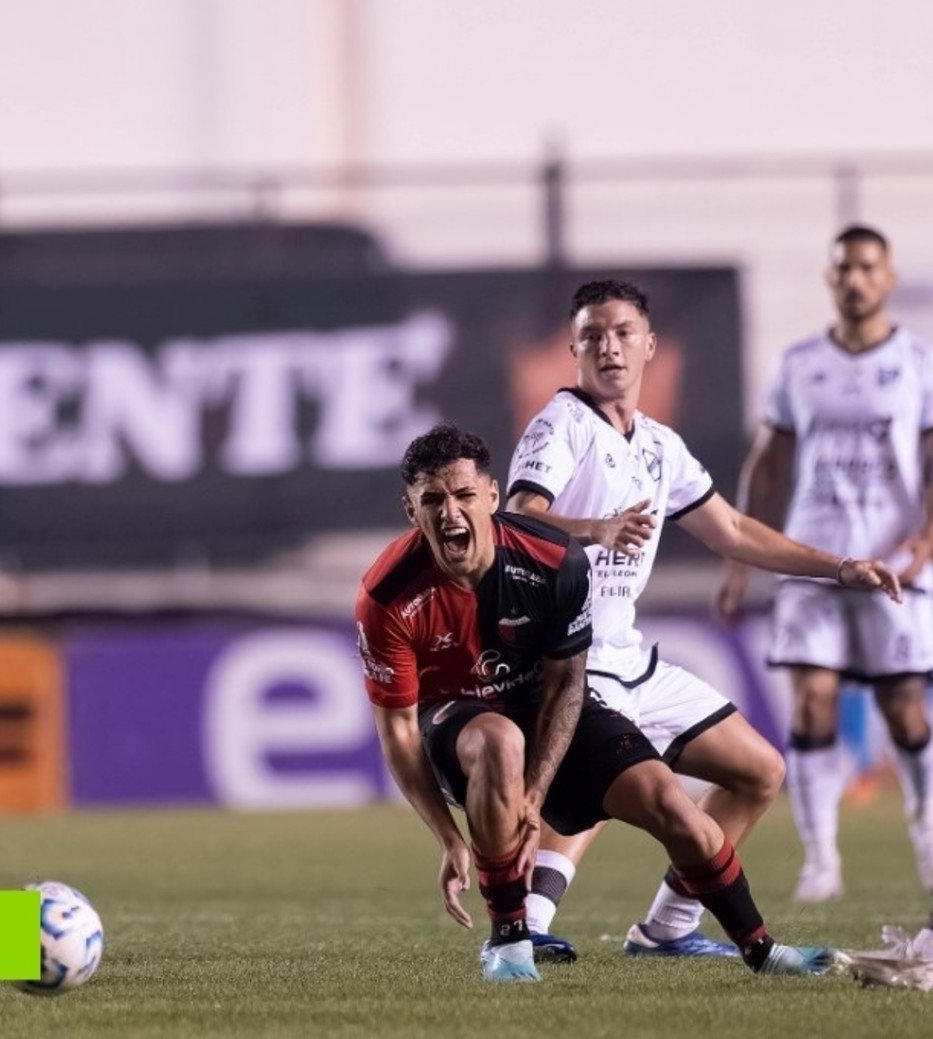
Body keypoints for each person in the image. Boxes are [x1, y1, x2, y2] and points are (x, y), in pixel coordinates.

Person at [505, 279, 902, 962]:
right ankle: (524, 928)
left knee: (758, 770)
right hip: (565, 660)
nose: (609, 346)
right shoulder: (560, 425)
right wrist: (597, 528)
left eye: (623, 332)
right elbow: (515, 518)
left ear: (648, 344)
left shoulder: (659, 444)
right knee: (605, 786)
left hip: (628, 659)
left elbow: (734, 531)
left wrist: (839, 565)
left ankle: (664, 929)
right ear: (572, 347)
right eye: (593, 334)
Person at [356, 422, 837, 982]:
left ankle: (761, 950)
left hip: (544, 704)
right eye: (432, 500)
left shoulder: (553, 560)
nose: (450, 514)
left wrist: (535, 794)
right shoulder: (386, 595)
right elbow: (398, 733)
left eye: (464, 495)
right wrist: (448, 837)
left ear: (491, 495)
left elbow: (565, 687)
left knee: (667, 799)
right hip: (455, 724)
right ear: (410, 509)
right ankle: (509, 944)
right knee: (498, 740)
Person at [716, 226, 933, 903]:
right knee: (810, 699)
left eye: (866, 267)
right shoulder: (798, 362)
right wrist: (739, 556)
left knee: (902, 707)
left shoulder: (917, 363)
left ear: (888, 277)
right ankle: (821, 859)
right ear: (828, 277)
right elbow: (769, 460)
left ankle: (926, 835)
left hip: (893, 562)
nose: (854, 279)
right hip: (813, 559)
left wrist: (924, 543)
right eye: (843, 268)